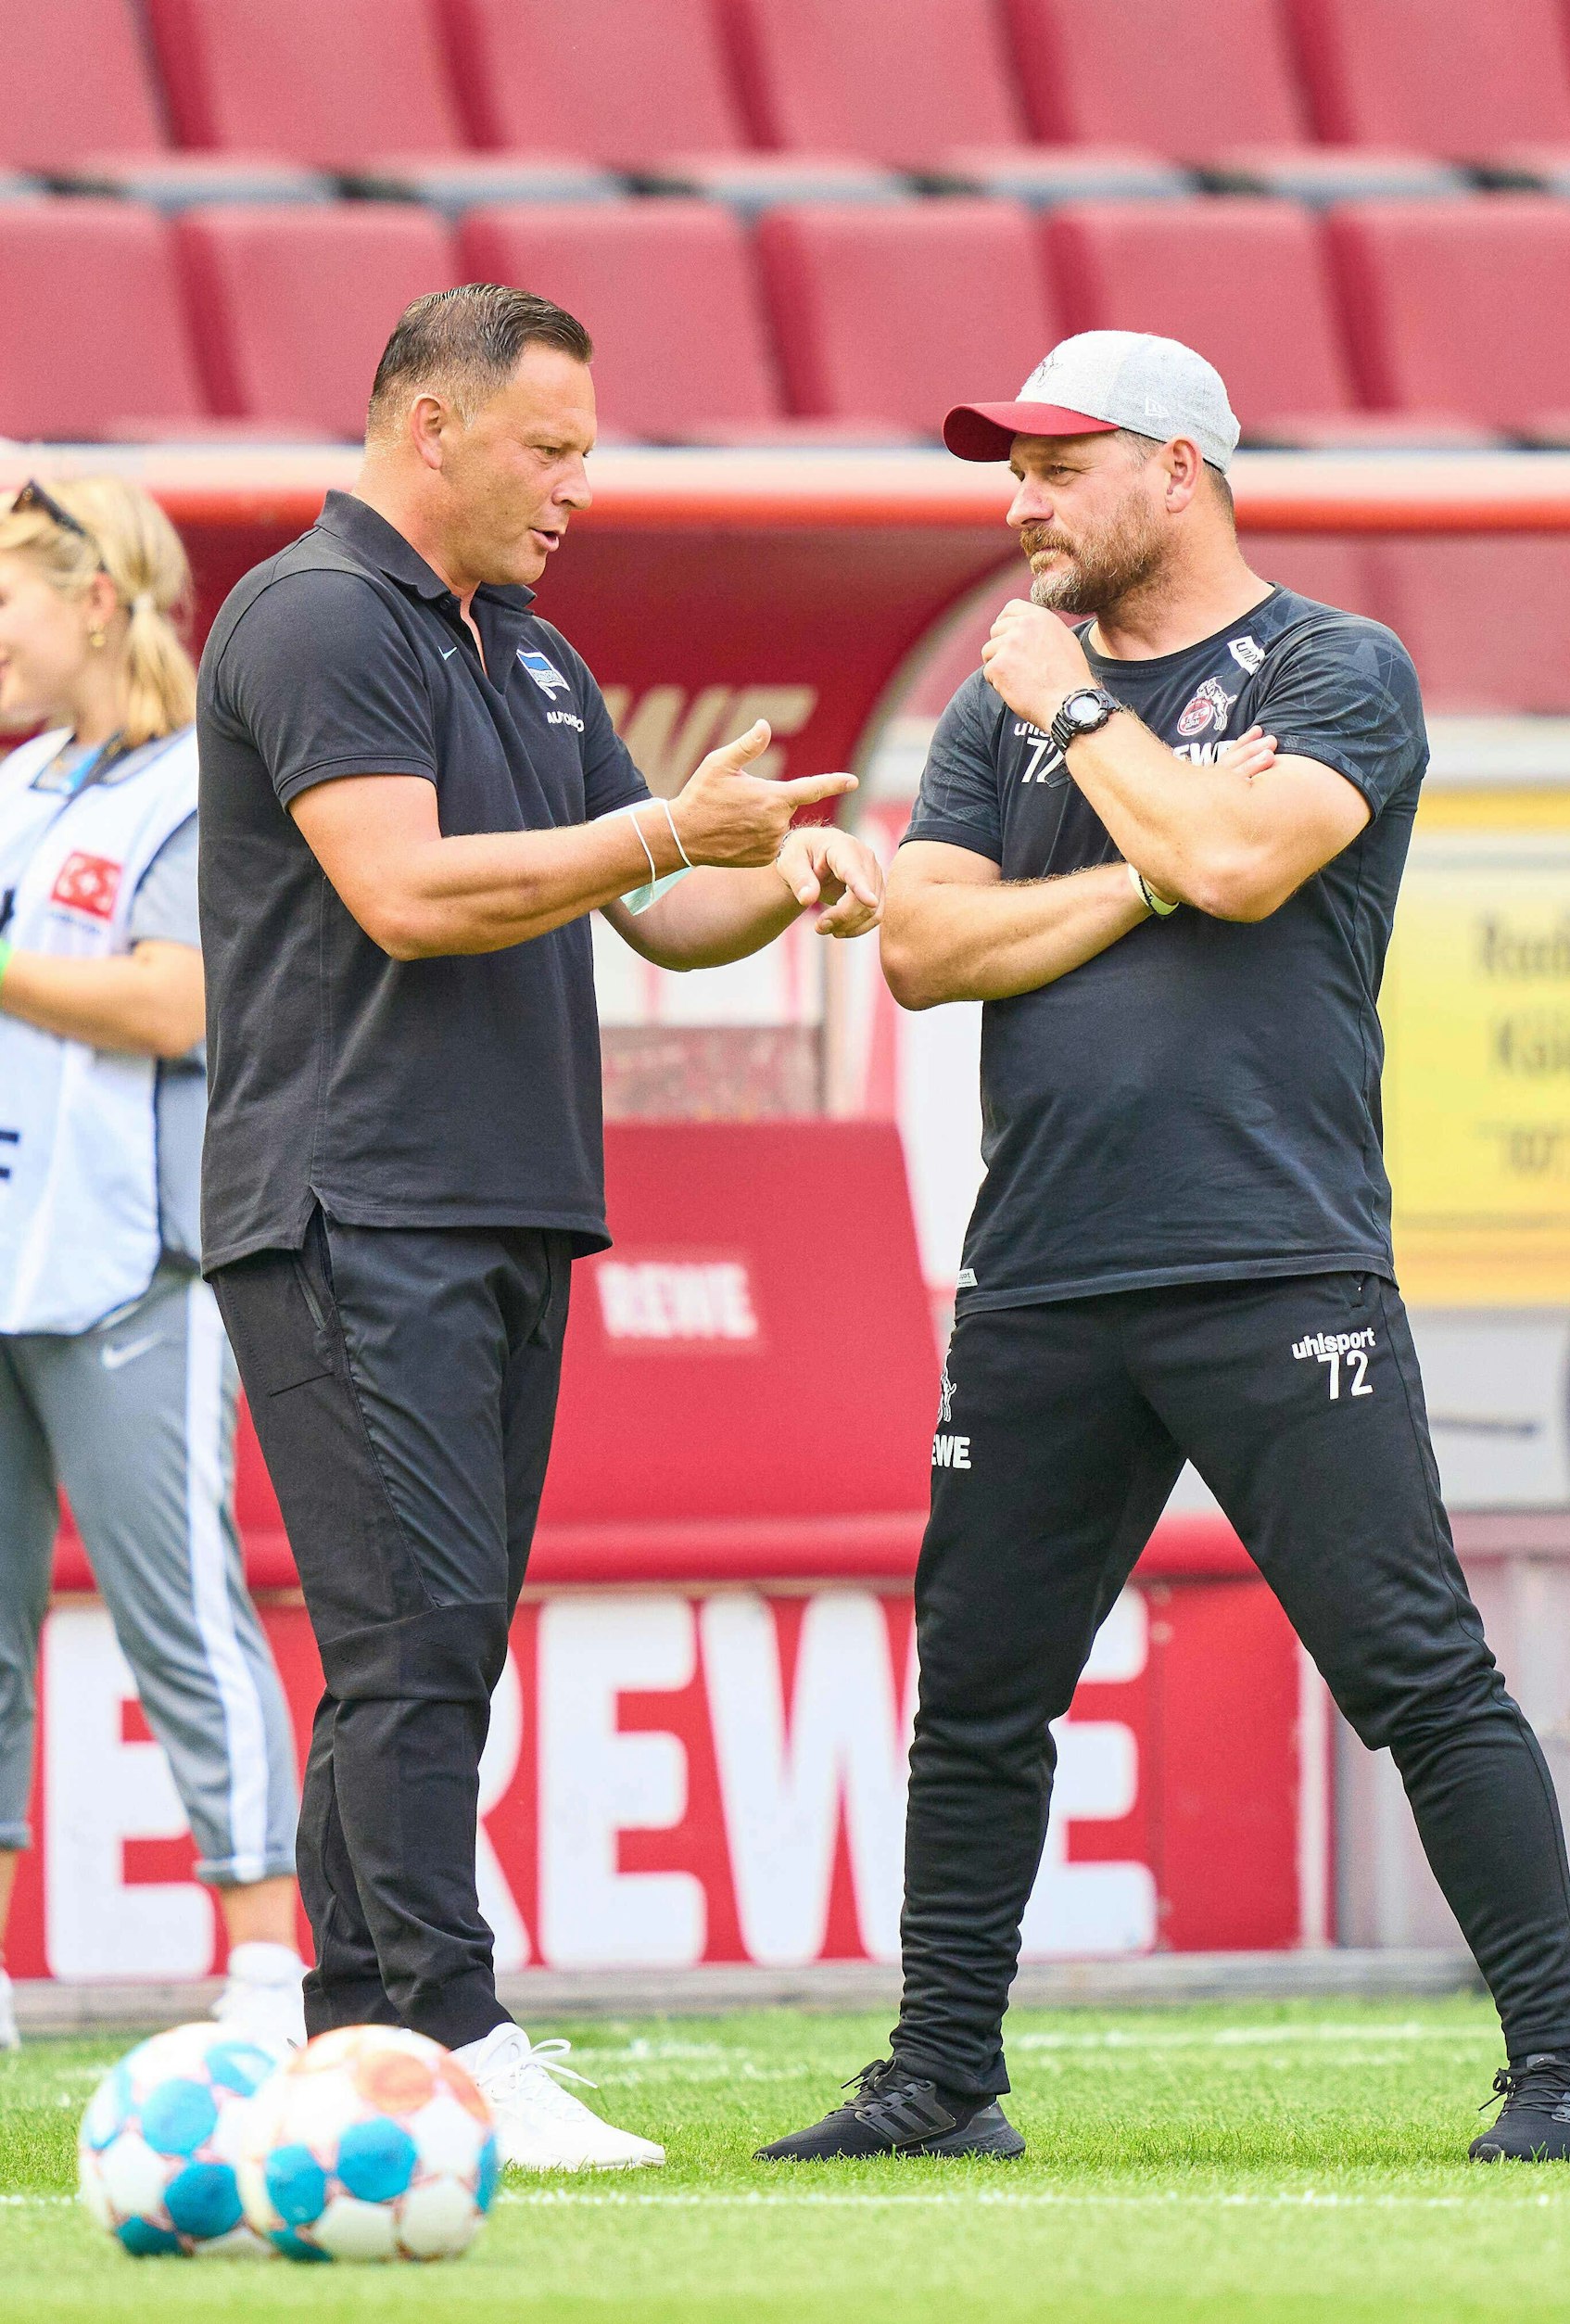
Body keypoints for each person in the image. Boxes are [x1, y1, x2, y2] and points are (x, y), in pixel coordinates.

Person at [757, 331, 1570, 2168]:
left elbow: (1251, 870)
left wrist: (1093, 738)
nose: (1019, 502)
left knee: (1412, 1668)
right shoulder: (1004, 703)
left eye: (1057, 466)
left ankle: (1561, 2071)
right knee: (980, 1690)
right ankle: (941, 2079)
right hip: (1043, 1267)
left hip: (1275, 1261)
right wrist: (1150, 854)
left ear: (1178, 468)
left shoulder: (1332, 669)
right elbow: (927, 950)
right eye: (1010, 467)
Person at [196, 284, 885, 2169]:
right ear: (432, 425)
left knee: (434, 1642)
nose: (579, 484)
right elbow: (408, 891)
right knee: (414, 1635)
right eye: (549, 447)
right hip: (350, 1202)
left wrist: (775, 876)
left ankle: (359, 2038)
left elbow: (657, 919)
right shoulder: (318, 614)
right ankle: (448, 2028)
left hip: (498, 1206)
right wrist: (670, 836)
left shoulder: (532, 651)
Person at [0, 476, 304, 2053]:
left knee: (178, 1613)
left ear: (100, 601)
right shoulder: (23, 781)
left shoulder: (196, 784)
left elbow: (179, 1005)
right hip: (5, 1251)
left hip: (133, 1261)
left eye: (8, 599)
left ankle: (262, 1967)